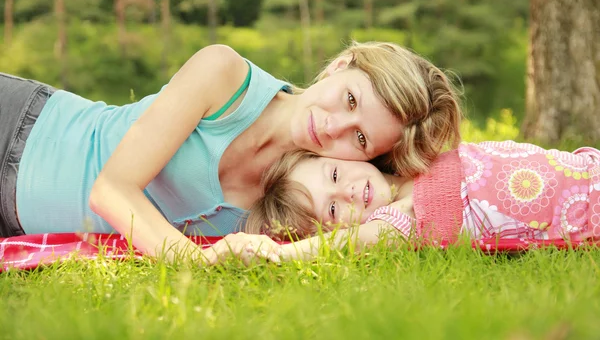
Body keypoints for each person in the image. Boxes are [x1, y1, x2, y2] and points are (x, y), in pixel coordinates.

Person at [0, 41, 462, 261]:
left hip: (16, 218)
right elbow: (111, 191)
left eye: (360, 138)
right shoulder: (224, 77)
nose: (333, 126)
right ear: (341, 65)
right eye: (350, 99)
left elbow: (439, 196)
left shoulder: (311, 199)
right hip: (20, 129)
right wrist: (195, 261)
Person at [202, 140, 600, 264]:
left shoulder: (414, 155)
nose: (348, 192)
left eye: (335, 176)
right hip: (589, 213)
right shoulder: (400, 219)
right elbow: (350, 243)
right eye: (334, 210)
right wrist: (283, 253)